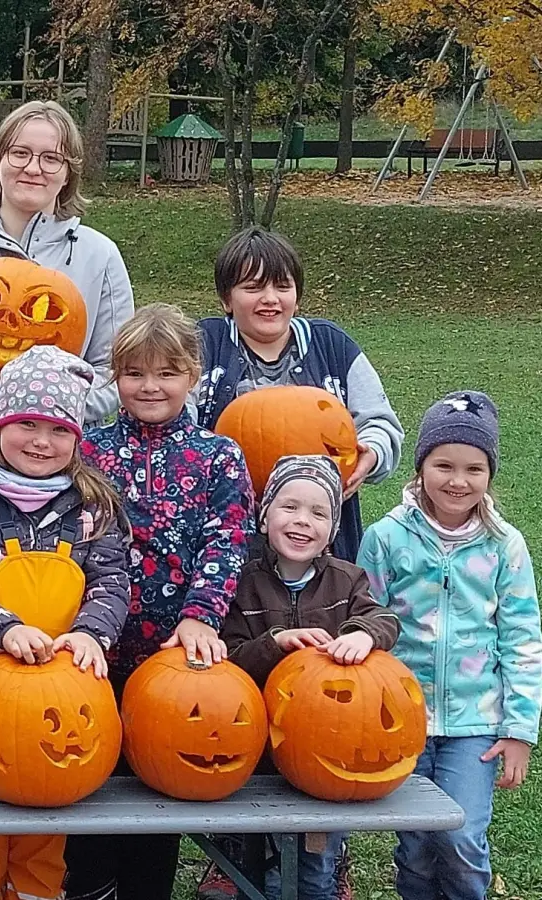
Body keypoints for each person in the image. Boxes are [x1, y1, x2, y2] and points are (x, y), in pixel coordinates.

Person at [0, 345, 129, 900]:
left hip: (64, 683)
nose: (41, 442)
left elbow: (112, 580)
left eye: (58, 430)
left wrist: (91, 632)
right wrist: (5, 627)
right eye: (27, 425)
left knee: (51, 790)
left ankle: (39, 891)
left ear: (76, 439)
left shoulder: (93, 505)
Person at [69, 304, 254, 900]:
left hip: (173, 656)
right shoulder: (88, 453)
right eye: (136, 374)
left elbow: (227, 541)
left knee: (158, 785)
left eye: (167, 373)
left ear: (193, 375)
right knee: (84, 778)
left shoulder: (218, 456)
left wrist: (202, 613)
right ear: (115, 376)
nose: (150, 387)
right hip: (95, 646)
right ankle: (90, 886)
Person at [359, 391, 540, 900]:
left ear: (489, 474)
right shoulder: (385, 538)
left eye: (473, 469)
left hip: (475, 725)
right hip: (404, 717)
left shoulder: (505, 545)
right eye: (443, 465)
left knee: (460, 835)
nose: (458, 481)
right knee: (415, 843)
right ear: (420, 467)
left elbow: (523, 639)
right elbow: (366, 619)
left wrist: (520, 730)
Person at [222, 455, 400, 900]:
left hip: (331, 748)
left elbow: (385, 621)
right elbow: (230, 659)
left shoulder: (347, 580)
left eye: (319, 513)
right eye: (290, 508)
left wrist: (362, 635)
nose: (303, 521)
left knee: (315, 868)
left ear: (332, 530)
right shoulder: (243, 583)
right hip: (261, 752)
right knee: (257, 866)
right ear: (264, 518)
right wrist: (276, 642)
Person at [0, 100, 135, 453]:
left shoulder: (100, 256)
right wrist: (3, 403)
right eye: (20, 153)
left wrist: (52, 413)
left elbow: (114, 368)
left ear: (67, 173)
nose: (34, 168)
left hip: (64, 457)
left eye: (51, 158)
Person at [193, 226, 402, 562]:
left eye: (282, 286)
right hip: (227, 530)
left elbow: (380, 423)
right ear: (226, 299)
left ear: (297, 294)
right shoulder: (203, 344)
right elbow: (177, 420)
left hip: (320, 533)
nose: (270, 299)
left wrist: (371, 454)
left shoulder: (331, 344)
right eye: (253, 288)